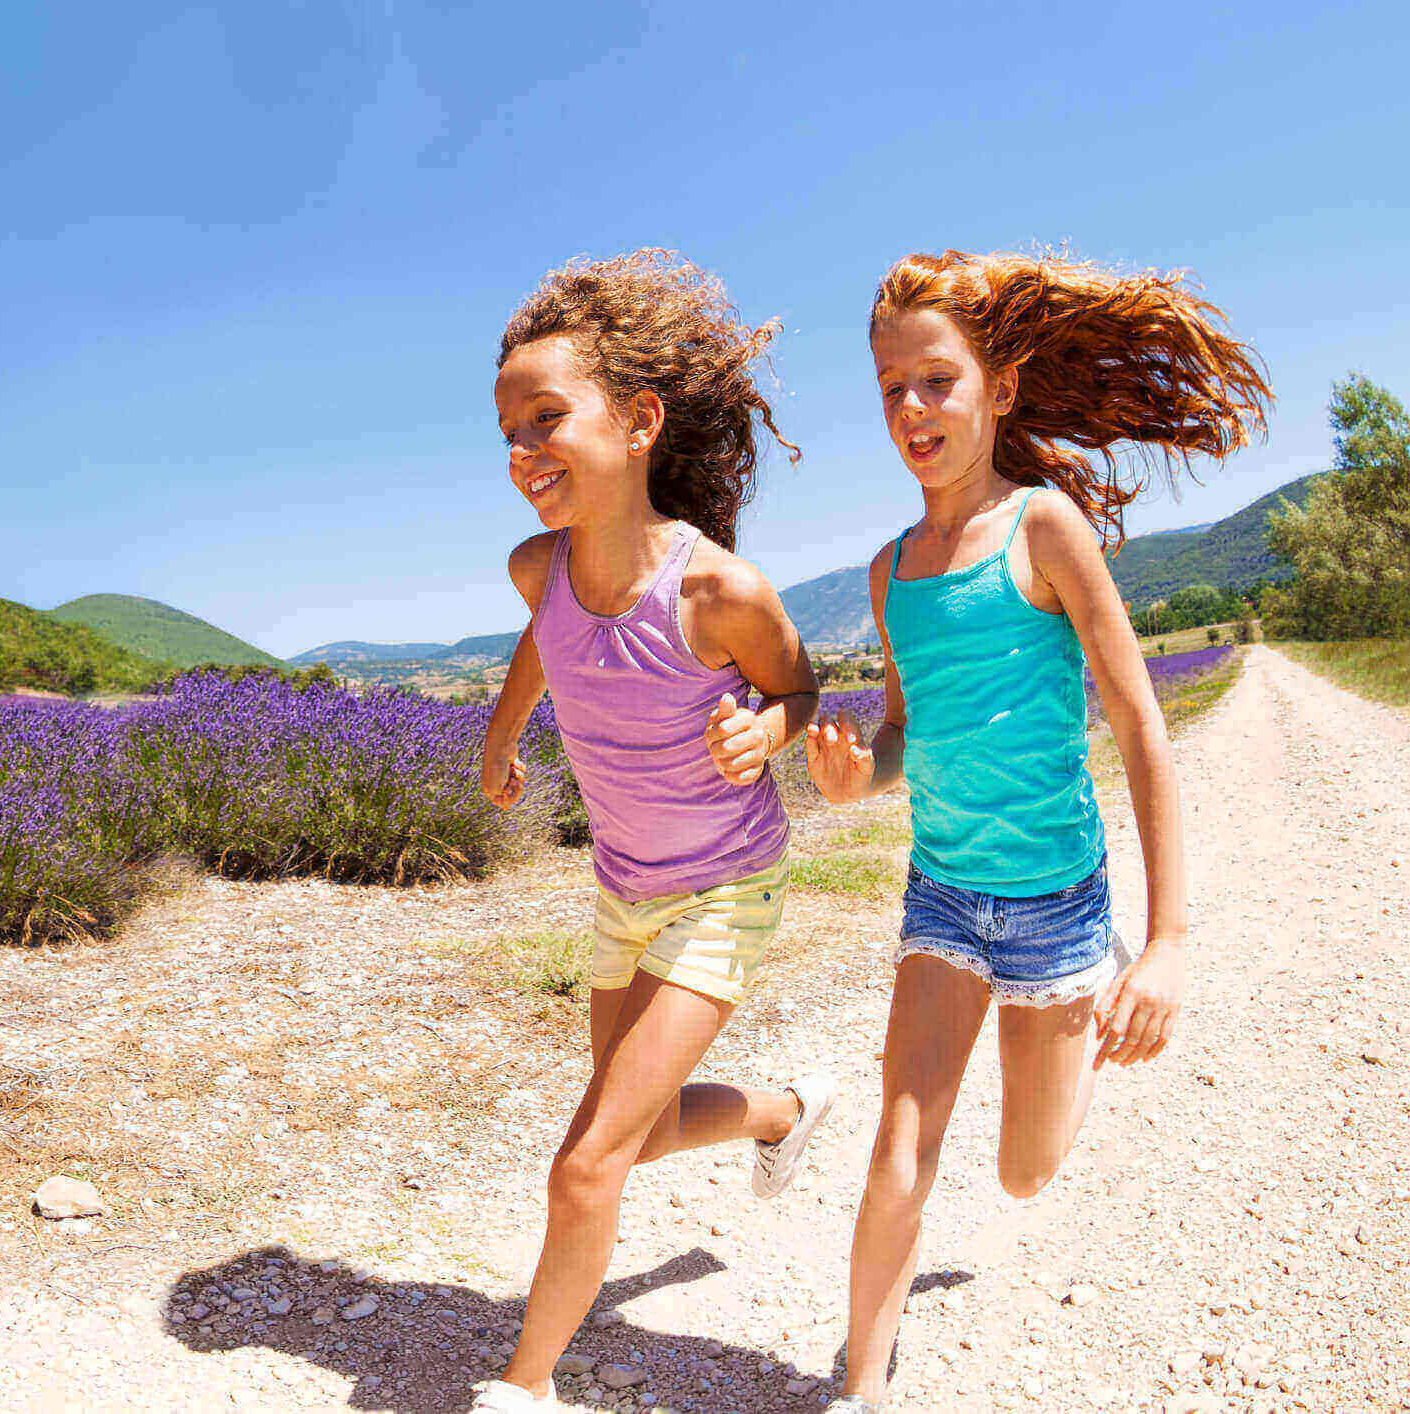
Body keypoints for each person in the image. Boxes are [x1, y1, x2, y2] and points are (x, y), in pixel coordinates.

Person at [805, 249, 1269, 1413]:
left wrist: (1168, 943)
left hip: (1059, 903)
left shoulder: (1044, 528)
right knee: (900, 1146)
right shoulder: (890, 573)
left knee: (1024, 1172)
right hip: (943, 897)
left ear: (999, 387)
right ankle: (860, 1387)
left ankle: (1097, 981)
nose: (912, 408)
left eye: (937, 381)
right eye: (892, 389)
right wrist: (860, 775)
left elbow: (1142, 728)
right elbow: (904, 730)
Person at [474, 250, 834, 1412]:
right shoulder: (538, 568)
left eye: (546, 418)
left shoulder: (718, 592)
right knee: (641, 1128)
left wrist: (768, 730)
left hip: (726, 889)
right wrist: (503, 730)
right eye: (509, 432)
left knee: (587, 1161)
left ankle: (523, 1387)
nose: (523, 449)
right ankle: (784, 1112)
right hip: (622, 887)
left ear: (637, 423)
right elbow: (545, 637)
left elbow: (801, 685)